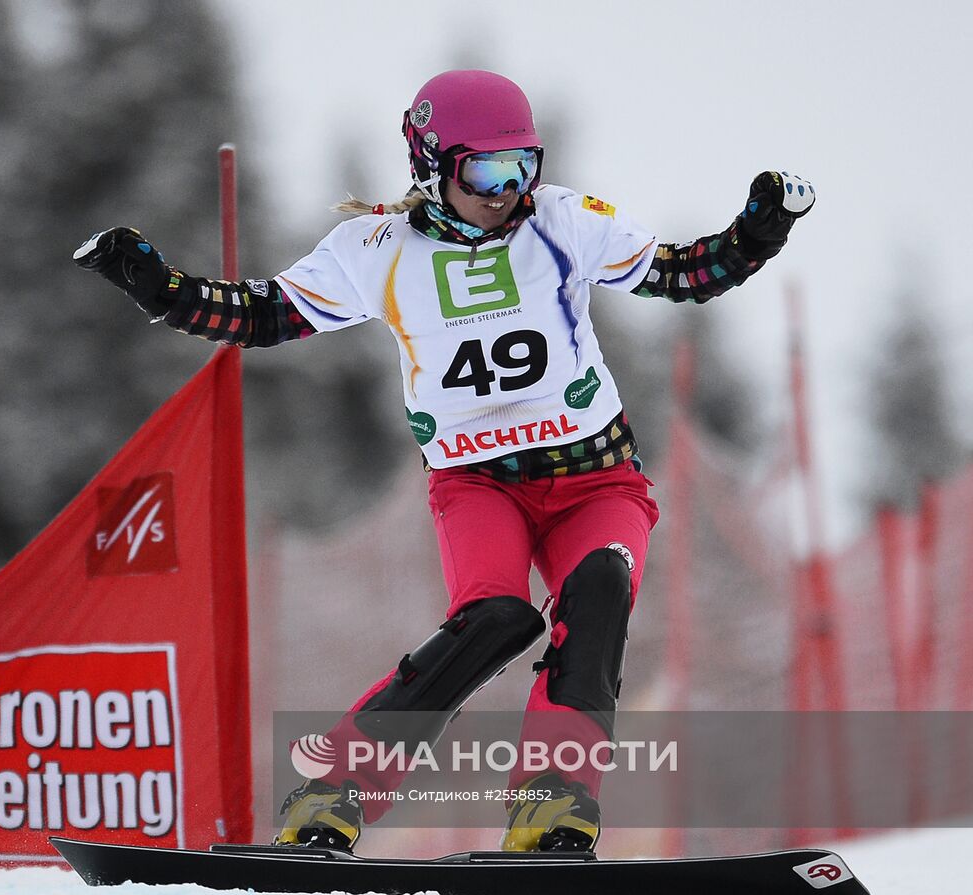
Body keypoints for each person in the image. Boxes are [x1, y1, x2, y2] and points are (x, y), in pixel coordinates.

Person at [73, 69, 814, 853]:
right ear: (432, 165)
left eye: (523, 166)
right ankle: (335, 793)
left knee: (597, 597)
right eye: (485, 172)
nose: (507, 191)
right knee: (492, 619)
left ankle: (552, 809)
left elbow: (681, 274)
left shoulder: (563, 221)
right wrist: (160, 289)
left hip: (598, 481)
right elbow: (262, 315)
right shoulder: (375, 249)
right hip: (479, 482)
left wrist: (756, 232)